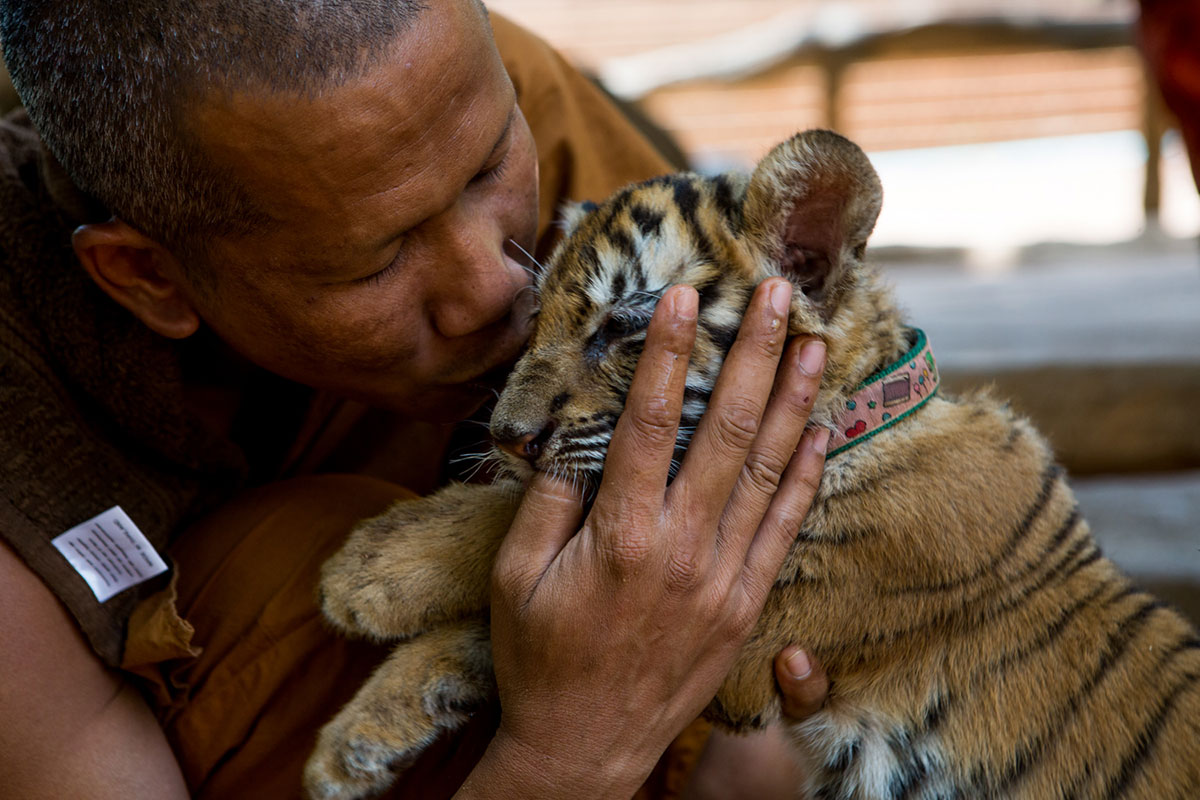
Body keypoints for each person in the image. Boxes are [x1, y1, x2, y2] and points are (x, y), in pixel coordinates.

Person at [0, 1, 832, 797]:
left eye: (489, 168)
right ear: (148, 278)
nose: (495, 288)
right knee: (312, 565)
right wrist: (568, 753)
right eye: (377, 262)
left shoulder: (470, 86)